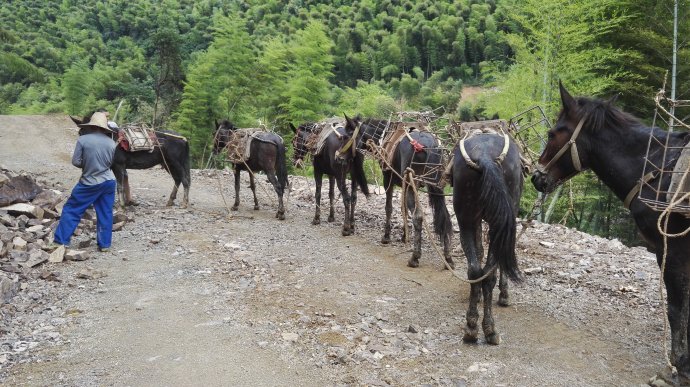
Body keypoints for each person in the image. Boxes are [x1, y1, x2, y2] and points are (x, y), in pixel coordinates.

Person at [52, 111, 117, 252]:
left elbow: (76, 161)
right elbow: (111, 163)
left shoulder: (83, 140)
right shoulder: (112, 143)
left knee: (72, 209)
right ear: (104, 128)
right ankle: (105, 245)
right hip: (109, 182)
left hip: (89, 182)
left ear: (92, 126)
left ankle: (61, 241)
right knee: (105, 212)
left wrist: (87, 164)